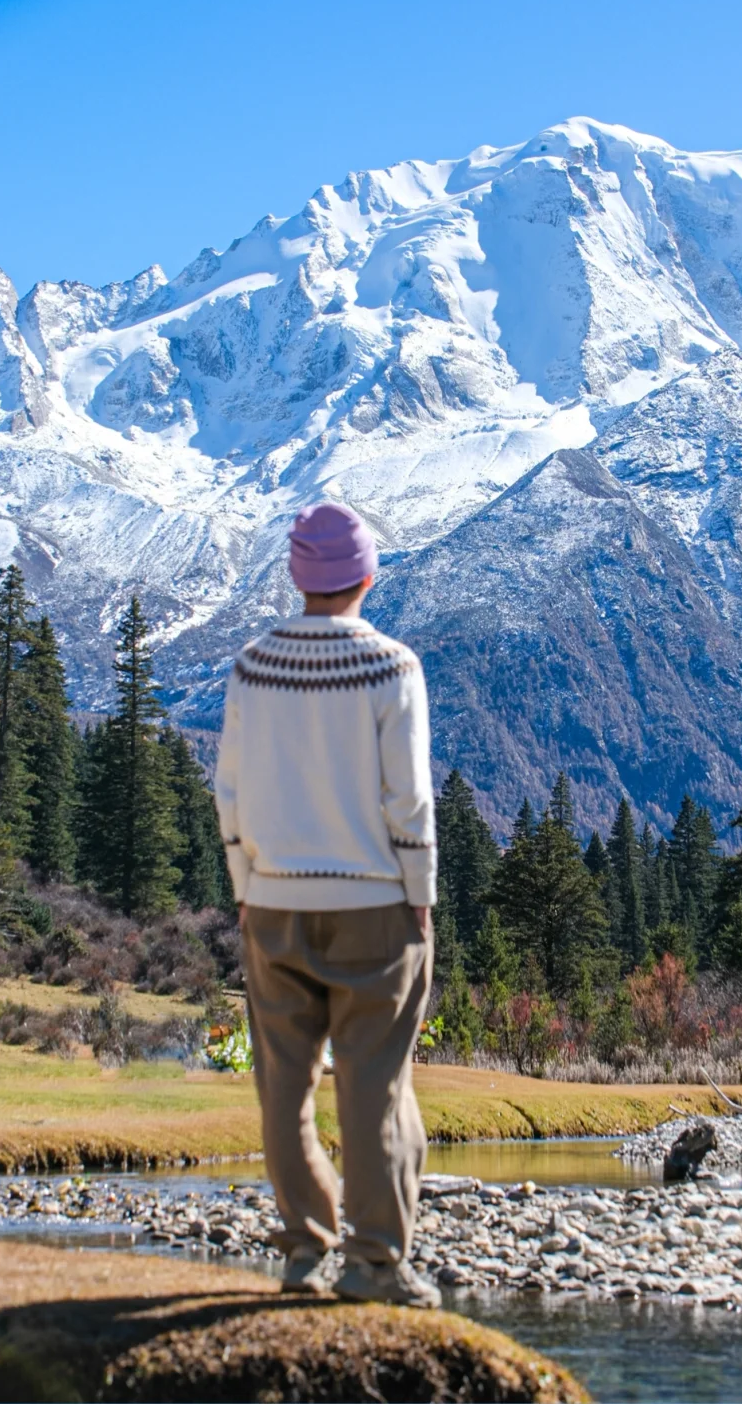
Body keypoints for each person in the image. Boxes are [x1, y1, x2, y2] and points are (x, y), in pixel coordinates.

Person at [215, 501, 439, 1306]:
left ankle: (304, 1254)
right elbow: (408, 802)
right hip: (375, 908)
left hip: (273, 908)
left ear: (294, 578)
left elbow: (229, 794)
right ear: (368, 577)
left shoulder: (250, 666)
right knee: (375, 1089)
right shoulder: (392, 668)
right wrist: (422, 898)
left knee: (284, 1089)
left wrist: (247, 889)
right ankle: (375, 1265)